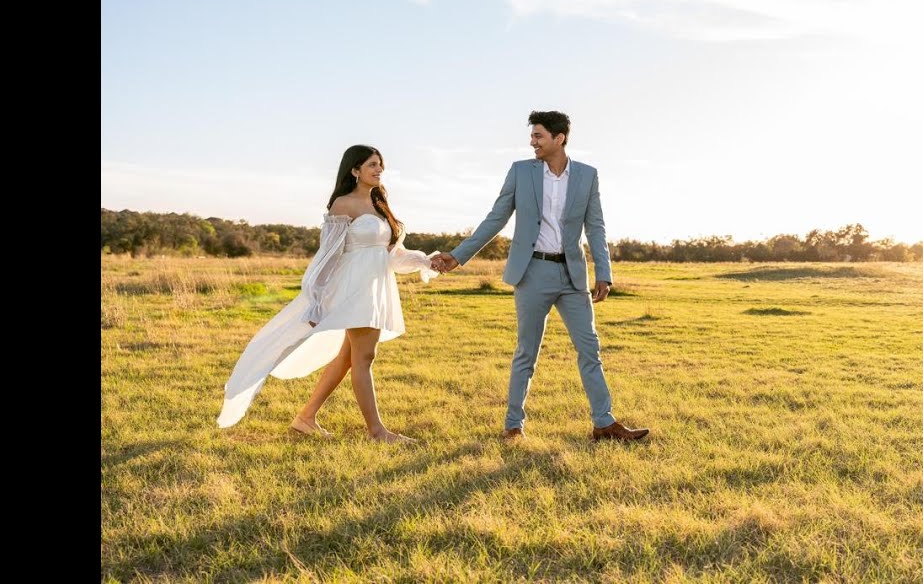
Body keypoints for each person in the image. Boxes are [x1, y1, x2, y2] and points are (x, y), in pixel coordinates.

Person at [430, 111, 650, 442]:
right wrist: (459, 256)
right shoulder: (521, 172)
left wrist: (604, 272)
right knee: (526, 352)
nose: (532, 142)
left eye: (538, 136)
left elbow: (596, 226)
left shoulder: (587, 176)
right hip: (531, 272)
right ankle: (513, 426)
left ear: (559, 138)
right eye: (532, 136)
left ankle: (604, 423)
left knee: (590, 348)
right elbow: (496, 218)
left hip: (572, 274)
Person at [216, 145, 440, 443]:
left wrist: (426, 260)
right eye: (372, 164)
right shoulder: (342, 205)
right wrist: (316, 300)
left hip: (376, 287)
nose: (378, 170)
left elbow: (391, 255)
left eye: (380, 165)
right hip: (353, 289)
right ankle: (377, 432)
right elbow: (328, 257)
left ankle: (305, 418)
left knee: (348, 358)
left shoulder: (380, 204)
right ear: (355, 170)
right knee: (365, 357)